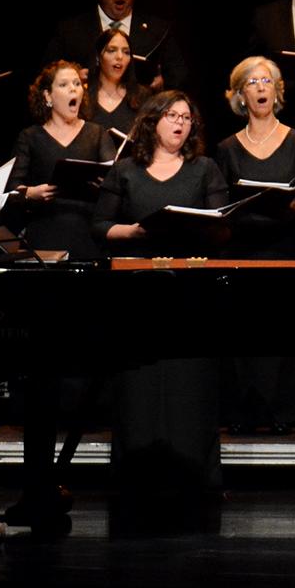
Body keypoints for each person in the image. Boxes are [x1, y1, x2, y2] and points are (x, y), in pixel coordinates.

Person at [93, 90, 232, 512]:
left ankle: (193, 470)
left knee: (190, 384)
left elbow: (222, 227)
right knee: (139, 384)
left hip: (189, 291)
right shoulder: (126, 172)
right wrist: (134, 233)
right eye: (171, 115)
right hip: (137, 291)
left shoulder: (204, 169)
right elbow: (100, 227)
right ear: (152, 121)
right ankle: (137, 470)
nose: (179, 123)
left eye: (187, 117)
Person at [214, 56, 295, 430]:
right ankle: (243, 413)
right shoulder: (227, 148)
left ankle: (283, 412)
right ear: (241, 95)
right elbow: (218, 202)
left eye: (266, 81)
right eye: (251, 82)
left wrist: (294, 205)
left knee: (283, 333)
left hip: (286, 247)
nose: (260, 87)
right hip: (242, 251)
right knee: (244, 336)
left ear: (277, 92)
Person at [7, 59, 114, 261]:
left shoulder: (96, 133)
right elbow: (11, 187)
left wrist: (104, 184)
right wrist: (30, 193)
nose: (73, 89)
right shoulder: (30, 136)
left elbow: (115, 181)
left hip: (88, 234)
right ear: (48, 95)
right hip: (44, 232)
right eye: (64, 85)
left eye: (76, 83)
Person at [44, 0, 190, 93]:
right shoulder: (71, 31)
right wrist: (72, 78)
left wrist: (163, 85)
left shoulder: (159, 31)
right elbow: (46, 76)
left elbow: (179, 76)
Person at [87, 24, 146, 136]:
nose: (120, 57)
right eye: (112, 50)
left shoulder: (142, 96)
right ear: (98, 57)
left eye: (126, 52)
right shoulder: (82, 96)